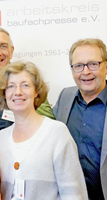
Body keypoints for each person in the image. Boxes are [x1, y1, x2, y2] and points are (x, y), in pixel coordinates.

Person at [0, 61, 87, 200]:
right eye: (10, 86)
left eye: (25, 85)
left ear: (36, 91)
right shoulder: (1, 138)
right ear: (4, 93)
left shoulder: (57, 133)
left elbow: (74, 194)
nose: (17, 92)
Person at [53, 38, 107, 200]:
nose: (85, 72)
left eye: (93, 64)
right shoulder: (65, 96)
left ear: (105, 65)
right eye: (78, 66)